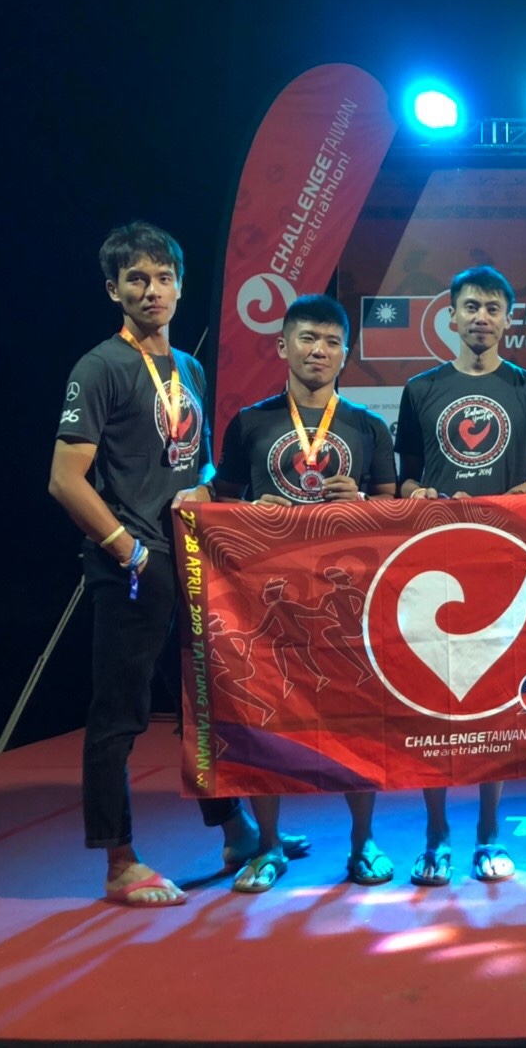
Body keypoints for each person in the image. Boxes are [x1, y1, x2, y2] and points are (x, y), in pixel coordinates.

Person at [49, 221, 275, 906]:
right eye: (137, 279)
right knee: (119, 715)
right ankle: (119, 860)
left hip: (190, 561)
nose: (153, 290)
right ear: (113, 289)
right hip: (132, 565)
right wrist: (130, 549)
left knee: (203, 703)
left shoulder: (190, 369)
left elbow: (193, 462)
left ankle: (234, 829)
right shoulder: (99, 368)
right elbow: (65, 480)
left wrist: (205, 487)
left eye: (164, 277)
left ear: (180, 285)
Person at [205, 294, 399, 892]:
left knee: (359, 719)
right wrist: (249, 509)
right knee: (265, 716)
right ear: (283, 345)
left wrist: (360, 503)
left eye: (332, 342)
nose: (319, 351)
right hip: (268, 597)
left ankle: (363, 842)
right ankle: (268, 846)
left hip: (347, 599)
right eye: (308, 339)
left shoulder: (368, 426)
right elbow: (221, 506)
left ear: (346, 353)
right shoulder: (250, 422)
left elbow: (392, 512)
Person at [395, 266, 526, 885]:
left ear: (508, 319)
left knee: (496, 706)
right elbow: (403, 481)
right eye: (471, 307)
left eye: (493, 307)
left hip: (504, 563)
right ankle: (436, 835)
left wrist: (499, 505)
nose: (482, 317)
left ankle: (489, 835)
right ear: (452, 317)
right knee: (432, 705)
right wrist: (418, 494)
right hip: (435, 563)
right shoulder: (420, 388)